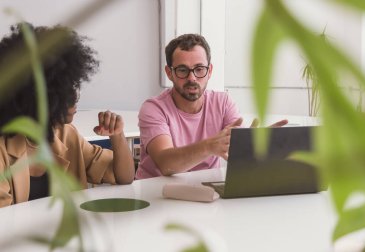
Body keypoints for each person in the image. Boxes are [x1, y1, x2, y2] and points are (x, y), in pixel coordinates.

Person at [0, 23, 135, 207]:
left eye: (74, 88)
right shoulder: (2, 150)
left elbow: (124, 177)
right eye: (65, 91)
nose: (74, 99)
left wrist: (117, 135)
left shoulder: (66, 134)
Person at [135, 33, 287, 179]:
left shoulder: (223, 102)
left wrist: (256, 145)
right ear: (169, 73)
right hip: (156, 195)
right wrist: (208, 146)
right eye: (182, 70)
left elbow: (240, 153)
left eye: (199, 69)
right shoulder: (154, 109)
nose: (192, 78)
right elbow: (166, 164)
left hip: (205, 192)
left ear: (210, 71)